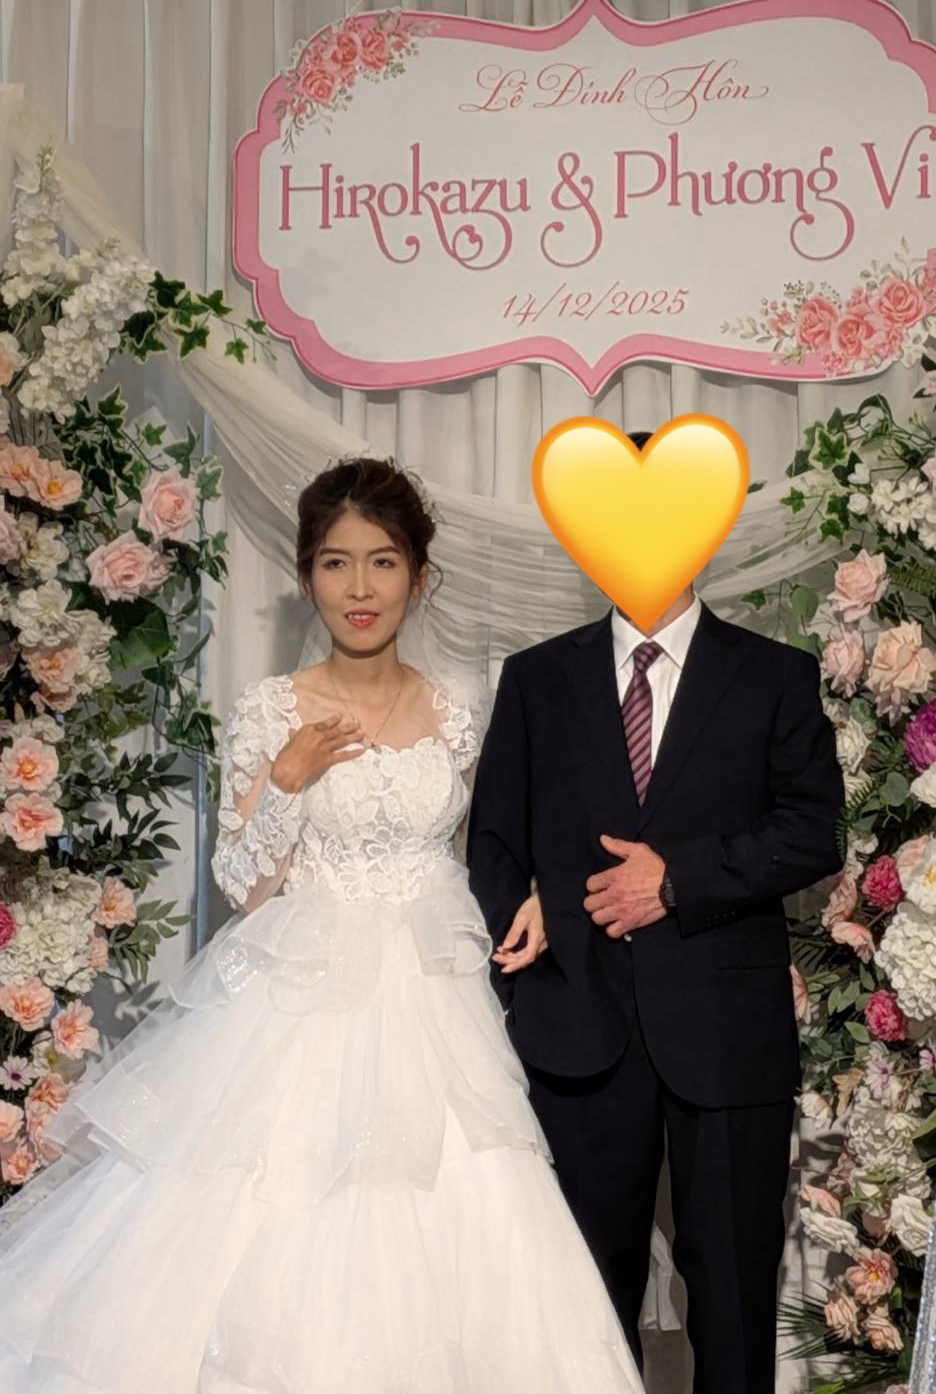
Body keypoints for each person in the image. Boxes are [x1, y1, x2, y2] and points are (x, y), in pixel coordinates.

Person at [0, 457, 644, 1394]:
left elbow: (497, 842)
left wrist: (541, 890)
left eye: (382, 562)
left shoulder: (460, 709)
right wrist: (287, 782)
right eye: (337, 563)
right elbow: (242, 888)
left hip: (436, 995)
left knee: (470, 1204)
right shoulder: (273, 708)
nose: (360, 588)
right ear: (308, 577)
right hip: (301, 992)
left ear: (419, 575)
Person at [467, 430, 846, 1394]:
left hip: (728, 1031)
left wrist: (675, 879)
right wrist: (540, 918)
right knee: (583, 1305)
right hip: (576, 1027)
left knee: (733, 1296)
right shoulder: (536, 679)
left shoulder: (774, 675)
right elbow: (493, 844)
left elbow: (813, 833)